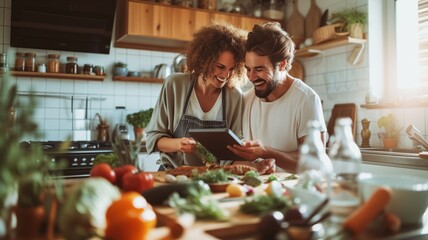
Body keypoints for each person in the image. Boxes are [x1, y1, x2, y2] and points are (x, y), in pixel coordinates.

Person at [145, 22, 248, 170]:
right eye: (220, 67)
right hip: (173, 173)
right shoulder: (175, 85)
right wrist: (179, 144)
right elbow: (153, 138)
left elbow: (234, 151)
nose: (225, 75)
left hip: (215, 176)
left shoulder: (235, 97)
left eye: (232, 69)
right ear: (204, 60)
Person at [228, 22, 327, 173]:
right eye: (248, 69)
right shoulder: (247, 100)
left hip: (295, 191)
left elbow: (315, 161)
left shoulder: (305, 99)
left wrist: (266, 152)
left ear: (281, 65)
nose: (251, 77)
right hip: (259, 191)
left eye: (259, 69)